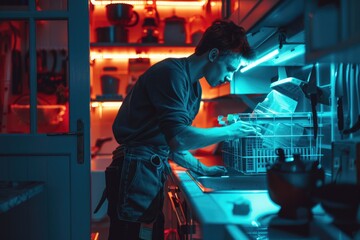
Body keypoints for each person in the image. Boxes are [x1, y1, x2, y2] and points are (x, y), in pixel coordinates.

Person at [107, 19, 257, 240]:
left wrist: (203, 170)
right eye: (229, 68)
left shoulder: (194, 90)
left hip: (147, 170)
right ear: (213, 54)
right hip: (135, 170)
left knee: (148, 235)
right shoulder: (171, 73)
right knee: (132, 236)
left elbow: (172, 145)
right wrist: (230, 131)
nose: (228, 78)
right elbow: (179, 139)